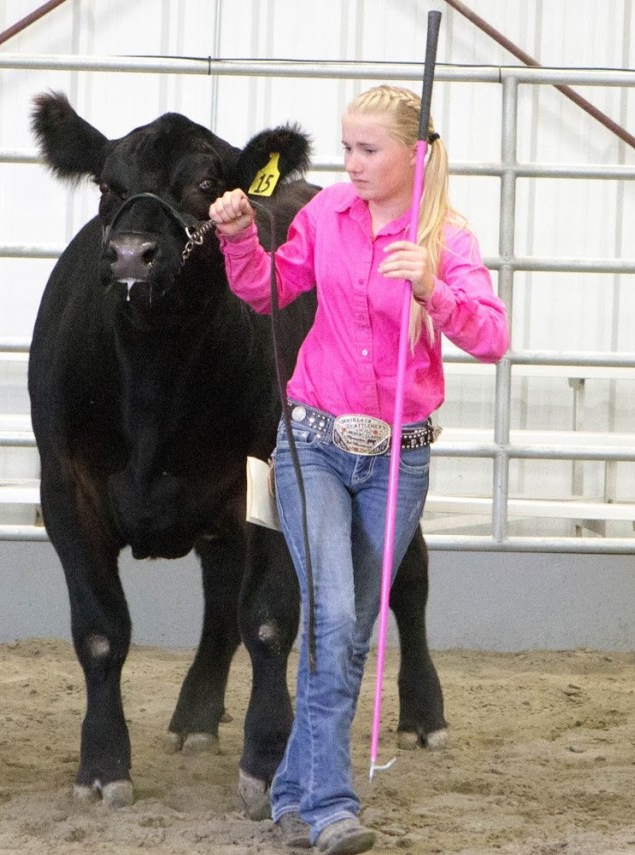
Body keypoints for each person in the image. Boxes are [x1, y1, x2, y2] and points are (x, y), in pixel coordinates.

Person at [208, 84, 509, 854]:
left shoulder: (445, 238)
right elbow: (265, 289)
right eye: (347, 147)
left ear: (414, 154)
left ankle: (290, 789)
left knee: (345, 635)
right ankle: (332, 804)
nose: (351, 163)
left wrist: (433, 288)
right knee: (337, 617)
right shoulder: (325, 216)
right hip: (311, 441)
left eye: (368, 149)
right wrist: (239, 238)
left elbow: (492, 338)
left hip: (400, 457)